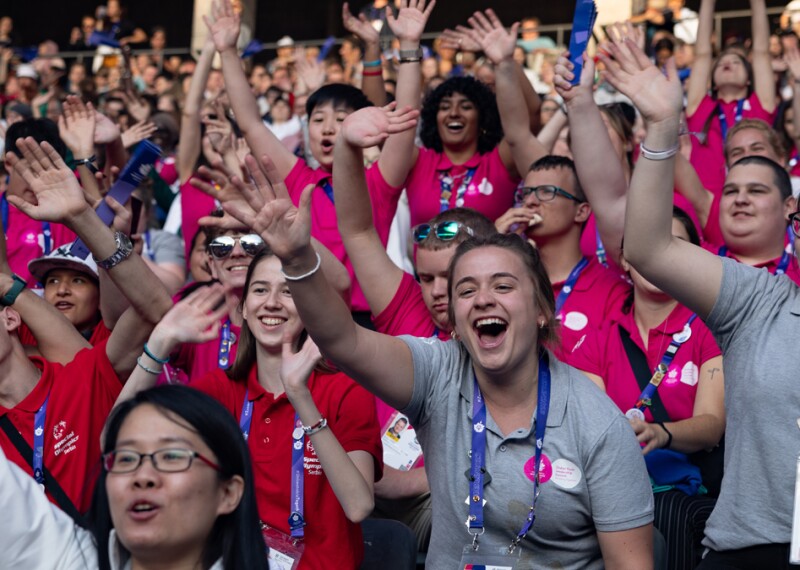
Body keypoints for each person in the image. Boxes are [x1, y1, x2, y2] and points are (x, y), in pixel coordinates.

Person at [211, 142, 656, 569]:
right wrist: (296, 258)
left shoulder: (598, 425)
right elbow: (343, 341)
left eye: (502, 286)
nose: (482, 300)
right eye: (466, 290)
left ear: (542, 311)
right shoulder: (440, 371)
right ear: (456, 320)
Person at [604, 30, 800, 570]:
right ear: (794, 225)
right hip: (752, 547)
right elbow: (646, 246)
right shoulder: (760, 300)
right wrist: (663, 129)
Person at [118, 249, 382, 569]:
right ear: (243, 308)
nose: (271, 302)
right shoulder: (221, 389)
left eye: (288, 291)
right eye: (259, 289)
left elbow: (358, 505)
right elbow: (116, 435)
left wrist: (302, 399)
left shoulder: (346, 390)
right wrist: (158, 344)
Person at [206, 0, 435, 323]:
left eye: (342, 119)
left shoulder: (379, 182)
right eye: (318, 119)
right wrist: (228, 51)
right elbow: (251, 124)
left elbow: (406, 119)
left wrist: (410, 44)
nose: (329, 128)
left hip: (370, 323)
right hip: (305, 320)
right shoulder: (299, 179)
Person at [0, 136, 172, 513]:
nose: (62, 290)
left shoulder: (83, 378)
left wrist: (82, 219)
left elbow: (156, 310)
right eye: (53, 282)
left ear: (11, 316)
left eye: (77, 280)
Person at [571, 207, 725, 570]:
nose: (657, 257)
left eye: (671, 245)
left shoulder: (709, 329)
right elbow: (589, 430)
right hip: (613, 490)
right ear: (625, 259)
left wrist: (659, 433)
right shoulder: (597, 341)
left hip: (688, 489)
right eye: (647, 245)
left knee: (668, 513)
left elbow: (712, 424)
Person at [0, 385, 268, 569]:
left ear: (228, 493)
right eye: (126, 458)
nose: (143, 476)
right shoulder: (74, 560)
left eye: (171, 456)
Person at [686, 0, 776, 195]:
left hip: (751, 197)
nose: (728, 63)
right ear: (713, 82)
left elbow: (761, 51)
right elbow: (702, 54)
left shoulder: (760, 105)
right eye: (721, 63)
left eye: (736, 62)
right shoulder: (699, 107)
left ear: (749, 80)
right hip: (703, 202)